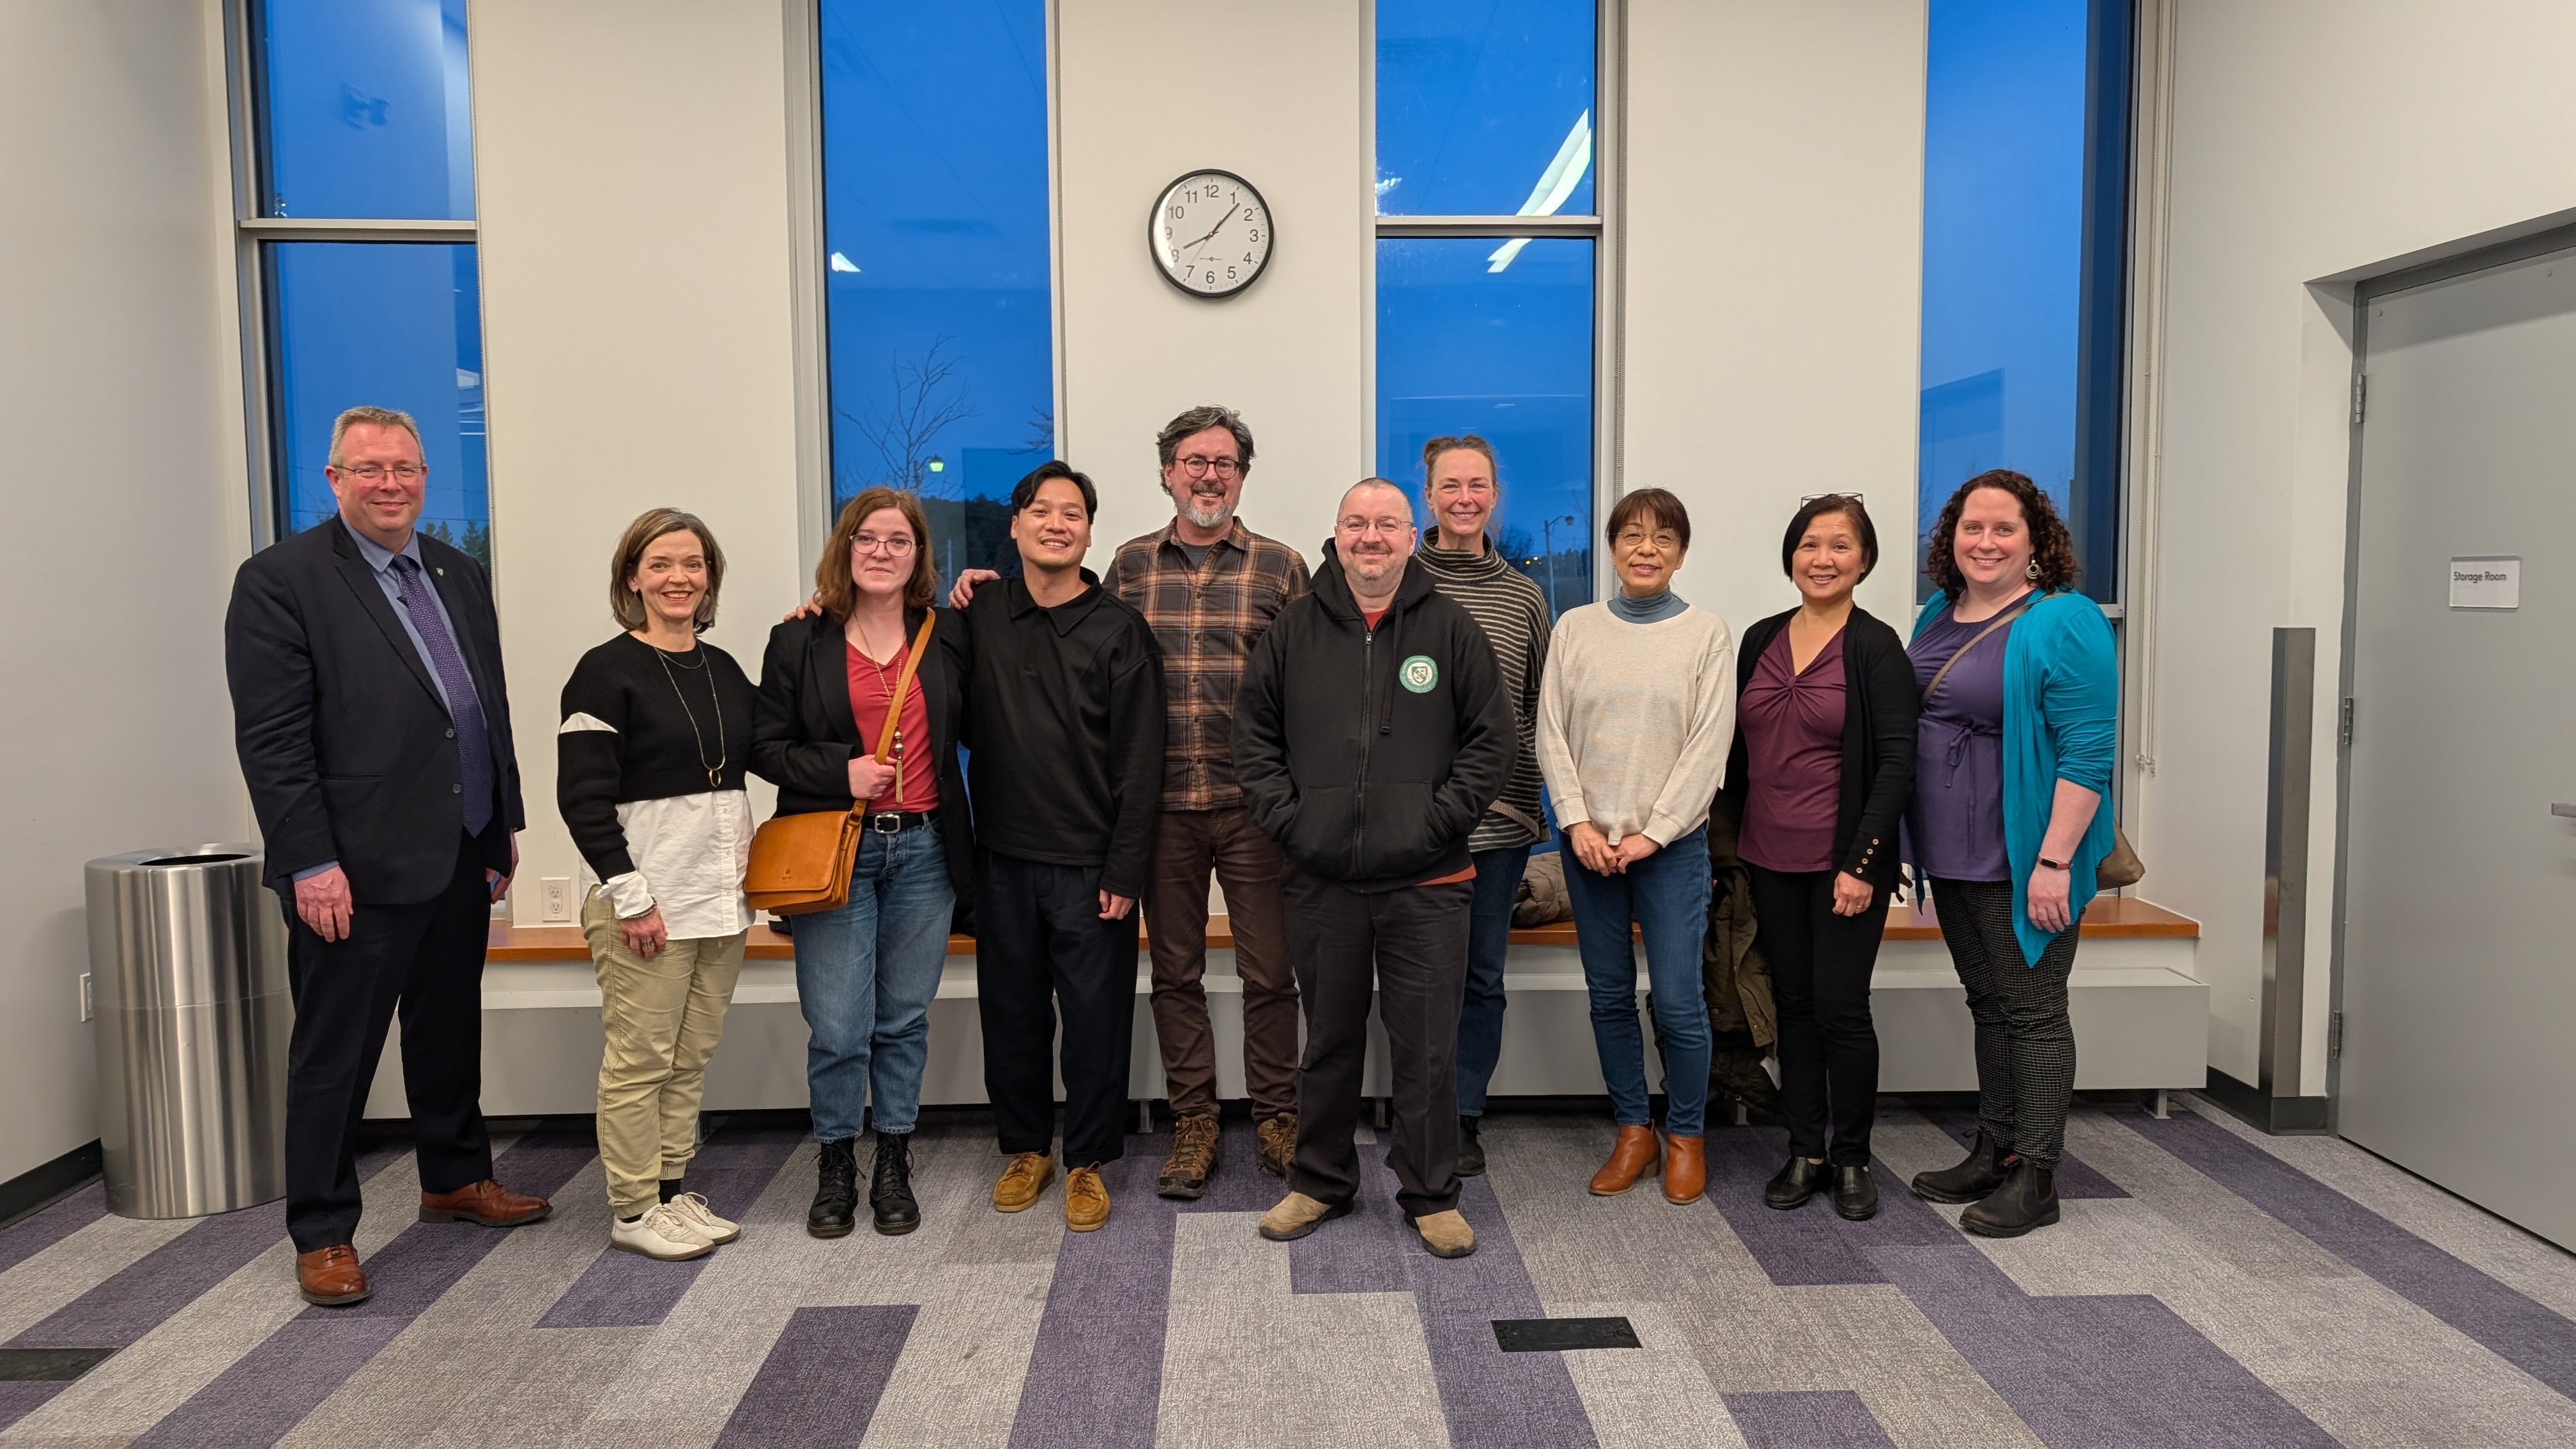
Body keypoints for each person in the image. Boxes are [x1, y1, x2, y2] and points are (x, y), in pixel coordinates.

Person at [225, 404, 546, 1308]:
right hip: (352, 868)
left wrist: (502, 824)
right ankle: (323, 1230)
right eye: (369, 469)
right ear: (334, 479)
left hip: (459, 847)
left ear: (425, 478)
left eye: (405, 468)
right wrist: (308, 861)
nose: (390, 483)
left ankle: (455, 1175)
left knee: (448, 1028)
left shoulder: (455, 570)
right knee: (336, 1055)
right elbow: (273, 741)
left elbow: (483, 705)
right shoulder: (281, 581)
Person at [954, 406, 1308, 1198]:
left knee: (1269, 972)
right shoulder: (1130, 565)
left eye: (1224, 463)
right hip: (1160, 807)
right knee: (1176, 973)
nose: (1208, 476)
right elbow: (1074, 633)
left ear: (1242, 476)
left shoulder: (1282, 568)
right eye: (1194, 462)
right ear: (1167, 474)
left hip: (1252, 805)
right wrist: (984, 584)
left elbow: (1307, 685)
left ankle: (1278, 1115)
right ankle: (1194, 1121)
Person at [1239, 479, 1514, 1260]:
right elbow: (1252, 741)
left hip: (1428, 881)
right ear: (1337, 534)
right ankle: (1320, 1181)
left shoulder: (1451, 628)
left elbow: (1492, 742)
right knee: (1327, 1040)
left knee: (1426, 1046)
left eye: (1387, 524)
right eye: (1357, 523)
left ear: (1410, 537)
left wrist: (1433, 825)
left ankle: (1431, 1194)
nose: (1371, 537)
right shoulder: (1293, 631)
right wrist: (1297, 826)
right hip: (1321, 877)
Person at [753, 489, 975, 1239]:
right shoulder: (799, 639)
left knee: (903, 1020)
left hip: (926, 851)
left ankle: (894, 1158)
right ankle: (836, 1160)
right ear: (845, 547)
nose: (883, 552)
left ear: (920, 555)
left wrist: (988, 585)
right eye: (868, 538)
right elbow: (764, 747)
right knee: (839, 1026)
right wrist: (838, 770)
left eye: (899, 540)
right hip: (836, 851)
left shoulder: (947, 635)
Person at [1902, 469, 2117, 1238]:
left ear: (2036, 541)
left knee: (2033, 1011)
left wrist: (2054, 863)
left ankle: (2038, 1175)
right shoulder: (1938, 612)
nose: (1986, 542)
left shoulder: (2066, 620)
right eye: (1972, 527)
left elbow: (2088, 751)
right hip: (1951, 850)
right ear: (1950, 538)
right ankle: (1994, 1148)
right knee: (1988, 1001)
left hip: (2024, 852)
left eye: (2004, 529)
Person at [958, 462, 1164, 1232]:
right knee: (1010, 1017)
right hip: (1001, 860)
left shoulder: (1120, 630)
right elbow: (887, 639)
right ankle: (1025, 1150)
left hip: (1091, 868)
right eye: (1040, 511)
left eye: (1071, 513)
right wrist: (817, 610)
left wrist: (1126, 869)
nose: (1056, 524)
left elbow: (1143, 761)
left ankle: (1087, 1162)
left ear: (1088, 531)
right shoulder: (979, 612)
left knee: (1095, 1023)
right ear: (1015, 525)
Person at [558, 509, 760, 1261]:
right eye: (662, 564)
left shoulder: (724, 669)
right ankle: (634, 1208)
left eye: (694, 564)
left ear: (710, 578)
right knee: (640, 1061)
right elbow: (582, 800)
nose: (680, 578)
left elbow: (769, 751)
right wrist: (632, 896)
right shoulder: (603, 671)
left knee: (689, 1056)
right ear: (633, 578)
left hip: (720, 902)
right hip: (649, 904)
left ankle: (672, 1193)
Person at [1534, 488, 1734, 1206]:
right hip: (1589, 846)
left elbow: (1709, 746)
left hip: (1671, 847)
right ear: (1613, 547)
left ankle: (1686, 1136)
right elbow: (1551, 732)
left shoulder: (1706, 634)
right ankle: (1632, 1131)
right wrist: (1576, 822)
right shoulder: (1576, 629)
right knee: (1610, 996)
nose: (1647, 549)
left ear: (1681, 553)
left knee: (1679, 1002)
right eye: (1632, 536)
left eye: (1664, 538)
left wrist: (1655, 832)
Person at [1719, 494, 1916, 1222]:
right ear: (1791, 556)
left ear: (1864, 560)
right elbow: (1739, 757)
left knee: (1841, 1010)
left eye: (1839, 545)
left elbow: (1896, 765)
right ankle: (1806, 1150)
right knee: (1793, 1010)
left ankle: (1853, 1157)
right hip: (1768, 857)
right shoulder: (1760, 638)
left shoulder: (1875, 646)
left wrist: (1863, 866)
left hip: (1844, 867)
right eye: (1809, 544)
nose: (1822, 558)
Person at [1407, 436, 1552, 1179]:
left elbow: (1538, 709)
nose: (1464, 497)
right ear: (1428, 495)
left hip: (1500, 823)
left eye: (1478, 485)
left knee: (1480, 977)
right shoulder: (1398, 583)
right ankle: (1418, 1108)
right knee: (1415, 976)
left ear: (1495, 495)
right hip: (1412, 824)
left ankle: (1464, 1114)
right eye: (1450, 485)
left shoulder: (1524, 597)